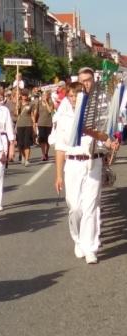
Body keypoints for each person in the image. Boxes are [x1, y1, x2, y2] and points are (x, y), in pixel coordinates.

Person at [54, 70, 119, 265]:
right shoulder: (64, 115)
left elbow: (106, 132)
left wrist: (111, 142)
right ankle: (77, 238)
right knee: (75, 207)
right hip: (73, 163)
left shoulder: (99, 105)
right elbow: (59, 148)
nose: (76, 97)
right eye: (73, 95)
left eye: (87, 83)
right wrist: (58, 174)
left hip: (94, 161)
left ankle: (90, 247)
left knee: (91, 206)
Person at [16, 89, 36, 166]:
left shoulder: (30, 104)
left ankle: (27, 159)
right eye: (23, 95)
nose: (24, 97)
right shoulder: (19, 103)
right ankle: (23, 156)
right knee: (20, 144)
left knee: (27, 143)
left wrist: (34, 124)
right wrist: (17, 107)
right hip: (20, 125)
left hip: (28, 124)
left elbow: (32, 115)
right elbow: (16, 114)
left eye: (25, 95)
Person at [35, 90, 54, 161]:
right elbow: (36, 112)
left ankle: (46, 153)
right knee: (42, 139)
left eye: (45, 95)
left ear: (48, 96)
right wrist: (35, 121)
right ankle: (43, 154)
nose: (43, 96)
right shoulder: (39, 103)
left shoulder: (51, 103)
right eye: (43, 95)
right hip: (41, 123)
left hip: (48, 123)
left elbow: (50, 111)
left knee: (47, 140)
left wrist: (46, 102)